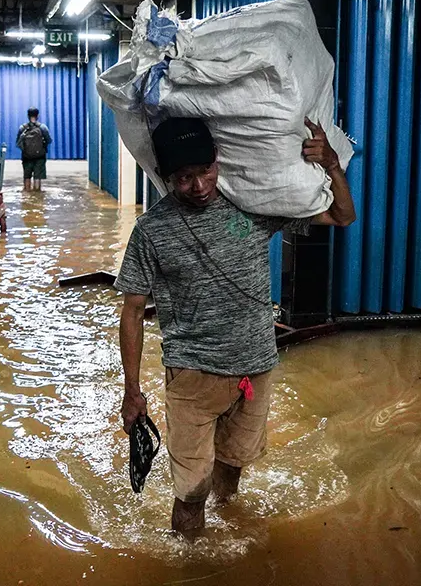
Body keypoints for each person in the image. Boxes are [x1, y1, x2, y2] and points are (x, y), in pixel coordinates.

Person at [115, 116, 355, 538]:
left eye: (205, 170)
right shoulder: (151, 231)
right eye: (185, 178)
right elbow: (132, 311)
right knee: (190, 492)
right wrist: (132, 392)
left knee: (231, 472)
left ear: (218, 160)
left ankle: (228, 542)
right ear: (168, 178)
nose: (200, 185)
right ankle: (190, 565)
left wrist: (332, 166)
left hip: (255, 370)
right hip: (193, 376)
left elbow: (341, 216)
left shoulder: (252, 206)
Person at [15, 107, 52, 191]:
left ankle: (27, 196)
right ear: (37, 115)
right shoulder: (43, 127)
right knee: (37, 177)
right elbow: (49, 140)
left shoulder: (22, 128)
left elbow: (18, 143)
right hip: (40, 157)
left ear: (28, 116)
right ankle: (37, 196)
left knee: (27, 177)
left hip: (26, 157)